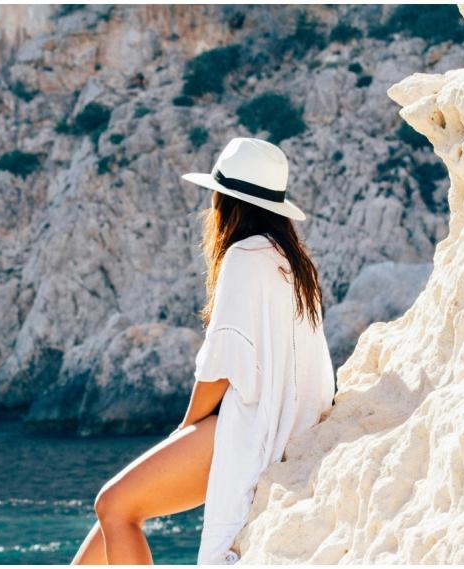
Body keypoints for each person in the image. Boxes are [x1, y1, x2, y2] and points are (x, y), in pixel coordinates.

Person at [71, 137, 336, 565]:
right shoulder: (292, 262)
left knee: (113, 507)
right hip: (285, 426)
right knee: (112, 515)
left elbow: (222, 364)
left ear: (226, 202)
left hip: (247, 427)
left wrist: (185, 426)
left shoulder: (244, 256)